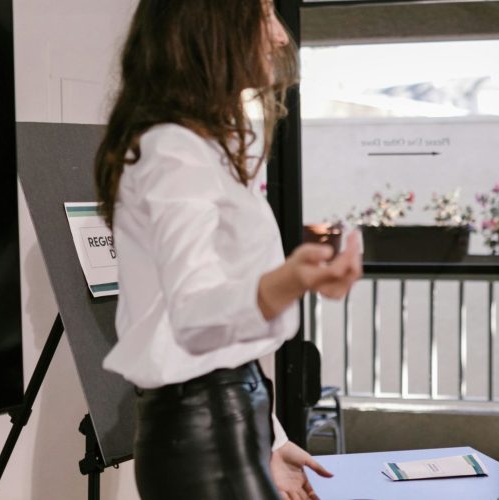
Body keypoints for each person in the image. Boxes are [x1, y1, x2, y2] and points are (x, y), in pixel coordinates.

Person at [94, 1, 362, 498]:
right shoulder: (172, 149)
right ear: (211, 22)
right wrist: (293, 277)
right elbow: (195, 314)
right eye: (265, 13)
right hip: (202, 436)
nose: (280, 36)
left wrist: (269, 439)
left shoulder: (199, 146)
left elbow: (222, 343)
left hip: (228, 421)